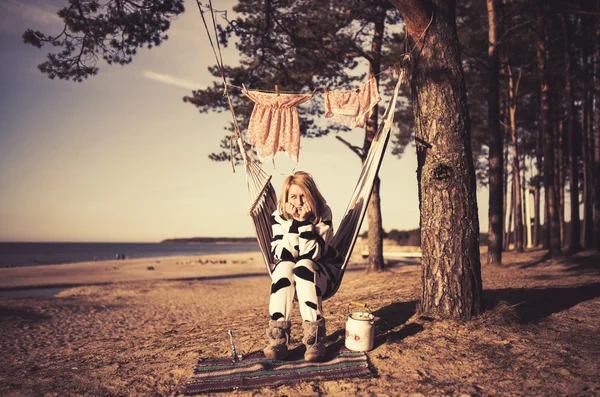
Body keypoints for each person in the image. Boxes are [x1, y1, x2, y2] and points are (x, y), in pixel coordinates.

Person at [264, 171, 339, 362]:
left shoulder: (324, 213)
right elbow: (282, 254)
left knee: (303, 265)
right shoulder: (278, 216)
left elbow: (313, 253)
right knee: (283, 266)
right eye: (293, 197)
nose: (298, 202)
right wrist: (293, 223)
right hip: (290, 278)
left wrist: (303, 223)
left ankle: (315, 340)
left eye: (303, 196)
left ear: (311, 194)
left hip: (322, 276)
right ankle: (278, 339)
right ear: (286, 198)